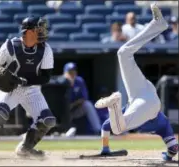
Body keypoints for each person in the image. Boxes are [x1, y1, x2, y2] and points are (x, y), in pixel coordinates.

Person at [95, 4, 178, 161]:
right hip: (144, 99)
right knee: (119, 128)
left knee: (123, 53)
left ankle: (114, 103)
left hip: (145, 94)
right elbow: (174, 147)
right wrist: (168, 157)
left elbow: (106, 127)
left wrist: (105, 148)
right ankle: (158, 25)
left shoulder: (158, 121)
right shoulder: (161, 123)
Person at [0, 16, 56, 158]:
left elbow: (45, 77)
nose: (43, 31)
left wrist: (23, 81)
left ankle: (25, 148)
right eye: (39, 29)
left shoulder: (45, 49)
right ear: (29, 32)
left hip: (31, 89)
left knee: (47, 120)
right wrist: (0, 73)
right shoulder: (10, 46)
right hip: (10, 88)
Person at [63, 62, 101, 134]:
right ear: (65, 73)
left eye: (73, 71)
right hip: (62, 112)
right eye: (70, 72)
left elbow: (84, 98)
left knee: (88, 104)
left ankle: (98, 130)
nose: (72, 74)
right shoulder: (60, 81)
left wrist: (73, 105)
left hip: (74, 110)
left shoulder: (79, 81)